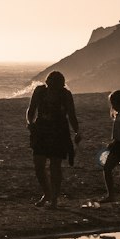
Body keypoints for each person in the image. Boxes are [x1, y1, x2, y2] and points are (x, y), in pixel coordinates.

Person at [26, 70, 81, 208]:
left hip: (59, 132)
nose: (54, 89)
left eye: (57, 86)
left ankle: (54, 199)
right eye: (52, 85)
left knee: (55, 166)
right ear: (48, 83)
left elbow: (71, 115)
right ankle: (47, 193)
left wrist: (77, 131)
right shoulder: (39, 91)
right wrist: (30, 123)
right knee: (39, 165)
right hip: (41, 130)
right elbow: (31, 110)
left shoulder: (66, 95)